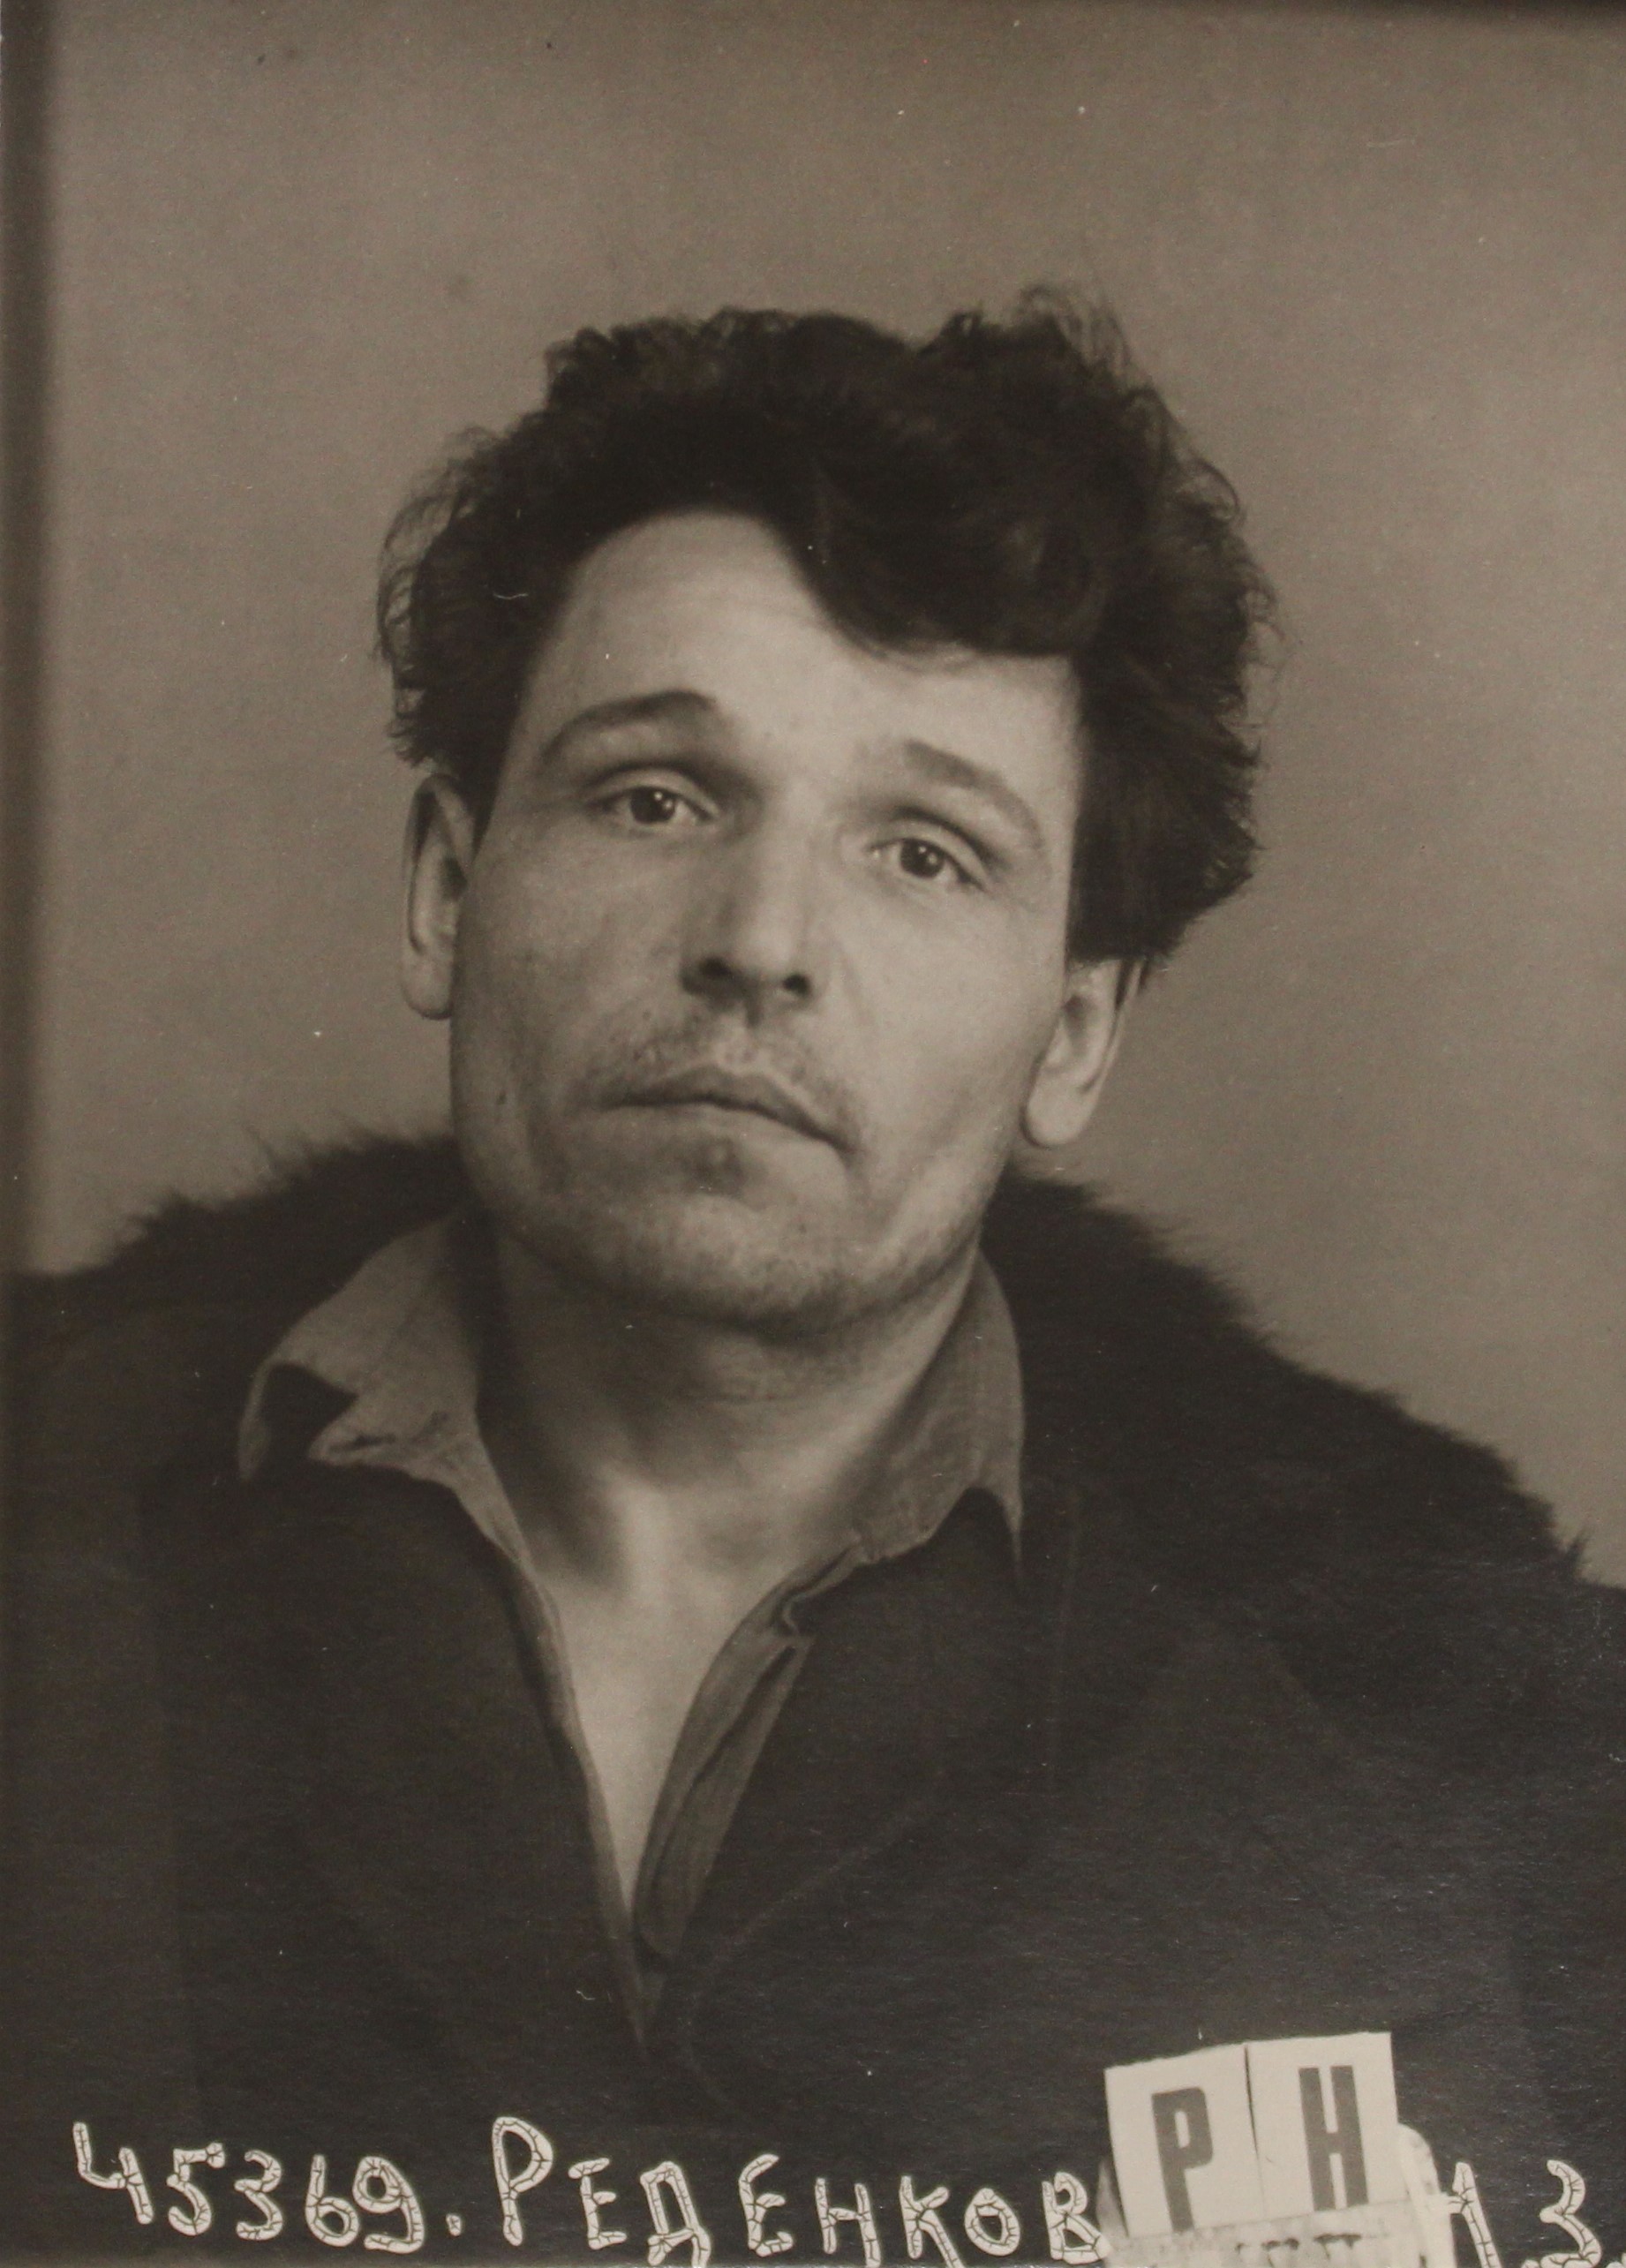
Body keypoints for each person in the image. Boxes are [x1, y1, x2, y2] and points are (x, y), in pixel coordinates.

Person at [4, 298, 1624, 2261]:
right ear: (445, 887)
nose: (760, 937)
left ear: (1075, 1034)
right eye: (655, 796)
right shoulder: (51, 1516)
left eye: (925, 851)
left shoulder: (1444, 1739)